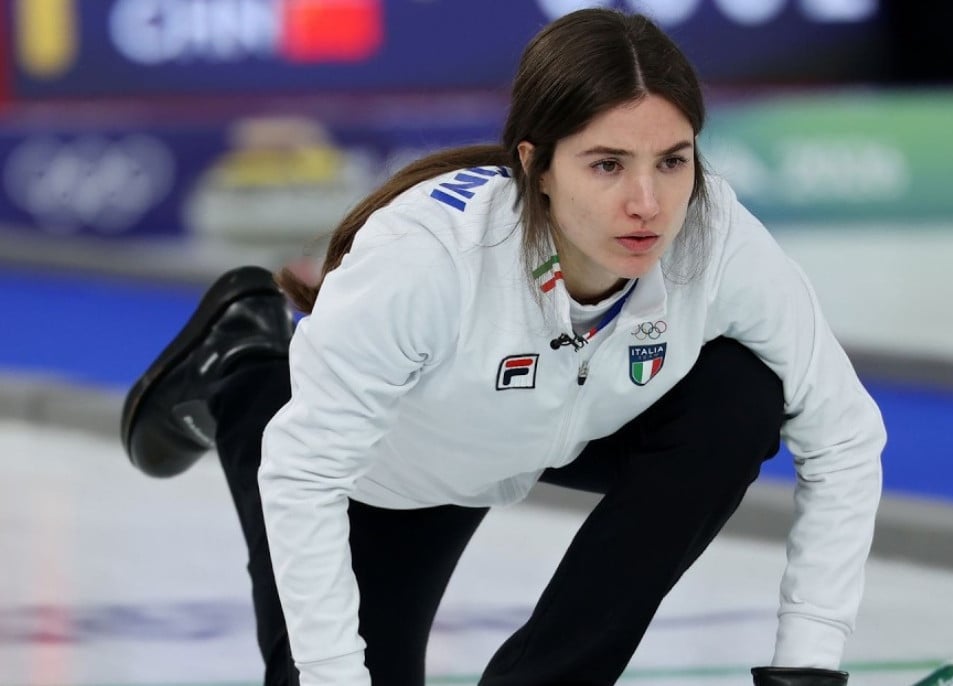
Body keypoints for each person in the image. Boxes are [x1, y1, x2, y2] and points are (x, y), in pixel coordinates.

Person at [120, 8, 884, 686]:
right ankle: (241, 363)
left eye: (673, 161)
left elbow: (846, 435)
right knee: (289, 440)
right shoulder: (427, 262)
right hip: (384, 471)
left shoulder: (717, 243)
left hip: (538, 426)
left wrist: (806, 665)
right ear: (535, 164)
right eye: (608, 164)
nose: (648, 203)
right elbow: (302, 473)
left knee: (741, 395)